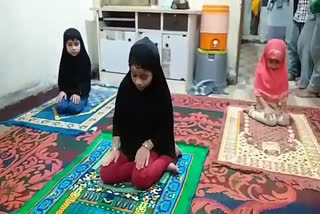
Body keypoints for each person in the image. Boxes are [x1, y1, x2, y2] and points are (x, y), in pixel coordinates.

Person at [100, 37, 180, 190]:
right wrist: (115, 149)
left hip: (155, 145)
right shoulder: (125, 86)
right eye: (134, 75)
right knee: (106, 173)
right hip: (130, 145)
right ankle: (145, 168)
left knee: (140, 180)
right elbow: (118, 119)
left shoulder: (160, 91)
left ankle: (166, 159)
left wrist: (146, 147)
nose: (138, 82)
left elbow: (165, 128)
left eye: (144, 77)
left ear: (153, 72)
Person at [245, 39, 290, 127]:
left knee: (285, 121)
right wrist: (266, 107)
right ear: (265, 58)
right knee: (271, 122)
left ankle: (273, 113)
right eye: (271, 61)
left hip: (276, 106)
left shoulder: (283, 73)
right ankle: (251, 111)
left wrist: (284, 109)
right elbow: (258, 93)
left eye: (277, 62)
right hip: (262, 105)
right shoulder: (261, 71)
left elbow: (285, 93)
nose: (273, 66)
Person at [55, 28, 91, 115]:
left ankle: (83, 100)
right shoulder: (65, 59)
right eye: (70, 45)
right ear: (65, 45)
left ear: (80, 44)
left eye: (76, 44)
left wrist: (78, 93)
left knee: (73, 109)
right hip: (67, 91)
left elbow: (86, 81)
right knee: (60, 107)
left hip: (81, 92)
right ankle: (68, 98)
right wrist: (62, 90)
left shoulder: (85, 60)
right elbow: (61, 77)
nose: (73, 48)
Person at [294, 0, 320, 97]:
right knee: (303, 43)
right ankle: (305, 81)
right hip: (313, 8)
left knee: (317, 50)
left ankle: (314, 88)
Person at [287, 0, 311, 81]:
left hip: (309, 19)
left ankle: (304, 75)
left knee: (305, 50)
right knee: (292, 45)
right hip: (297, 16)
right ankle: (292, 71)